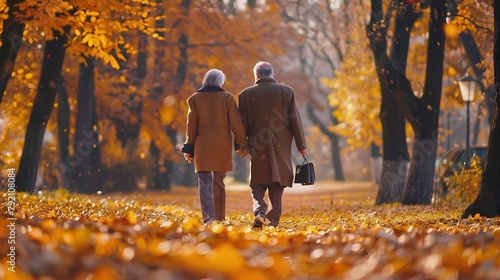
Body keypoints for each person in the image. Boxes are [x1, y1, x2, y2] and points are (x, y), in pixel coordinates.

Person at [238, 61, 307, 228]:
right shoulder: (287, 91)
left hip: (258, 145)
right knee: (277, 182)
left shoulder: (245, 95)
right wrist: (301, 145)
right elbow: (295, 120)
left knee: (257, 183)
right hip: (280, 146)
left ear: (257, 75)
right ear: (271, 74)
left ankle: (260, 211)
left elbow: (241, 124)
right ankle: (272, 220)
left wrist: (242, 146)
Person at [182, 69, 249, 226]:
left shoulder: (194, 99)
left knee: (204, 181)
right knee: (219, 181)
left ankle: (208, 219)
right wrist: (243, 144)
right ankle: (219, 218)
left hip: (202, 145)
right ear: (220, 82)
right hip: (222, 144)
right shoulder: (227, 98)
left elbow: (191, 126)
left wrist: (188, 147)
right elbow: (236, 123)